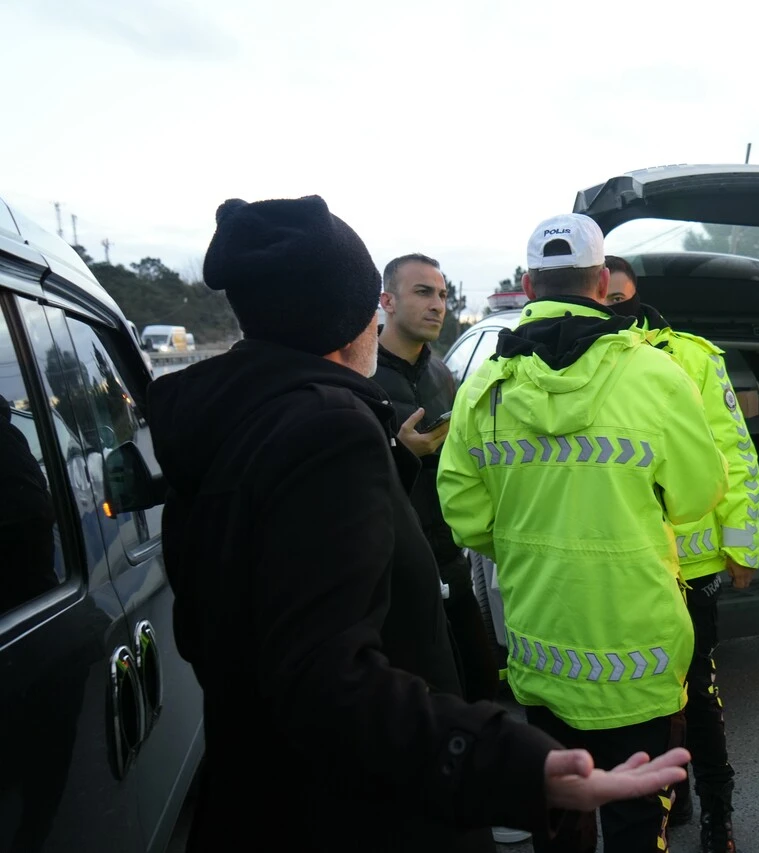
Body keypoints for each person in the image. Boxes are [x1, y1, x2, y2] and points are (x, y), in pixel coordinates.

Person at [148, 195, 691, 853]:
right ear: (352, 319)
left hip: (260, 792)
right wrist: (515, 769)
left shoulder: (230, 422)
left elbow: (242, 618)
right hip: (358, 814)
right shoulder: (327, 430)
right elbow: (328, 679)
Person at [438, 213, 728, 853]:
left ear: (527, 285)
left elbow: (464, 514)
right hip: (643, 662)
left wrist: (527, 539)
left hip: (542, 653)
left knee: (560, 826)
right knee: (636, 829)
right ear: (602, 283)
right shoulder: (657, 375)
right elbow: (698, 495)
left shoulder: (485, 386)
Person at [603, 254, 758, 853]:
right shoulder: (577, 361)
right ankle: (674, 794)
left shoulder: (691, 357)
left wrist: (740, 544)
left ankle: (719, 812)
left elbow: (735, 454)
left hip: (692, 566)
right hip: (626, 562)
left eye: (620, 299)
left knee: (698, 691)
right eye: (602, 299)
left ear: (636, 296)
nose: (611, 310)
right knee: (642, 695)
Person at [374, 252, 500, 704]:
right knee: (418, 707)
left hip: (450, 560)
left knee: (481, 691)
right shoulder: (359, 375)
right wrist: (399, 453)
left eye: (443, 295)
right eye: (423, 292)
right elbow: (339, 479)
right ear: (387, 301)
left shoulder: (443, 374)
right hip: (391, 570)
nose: (438, 305)